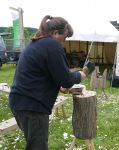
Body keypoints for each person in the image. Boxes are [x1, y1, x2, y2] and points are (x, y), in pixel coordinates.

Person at [9, 15, 86, 150]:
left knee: (34, 143)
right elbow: (66, 79)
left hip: (20, 102)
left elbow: (45, 73)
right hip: (32, 106)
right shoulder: (52, 45)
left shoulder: (37, 42)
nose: (64, 41)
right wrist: (80, 74)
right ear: (56, 33)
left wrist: (59, 86)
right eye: (65, 37)